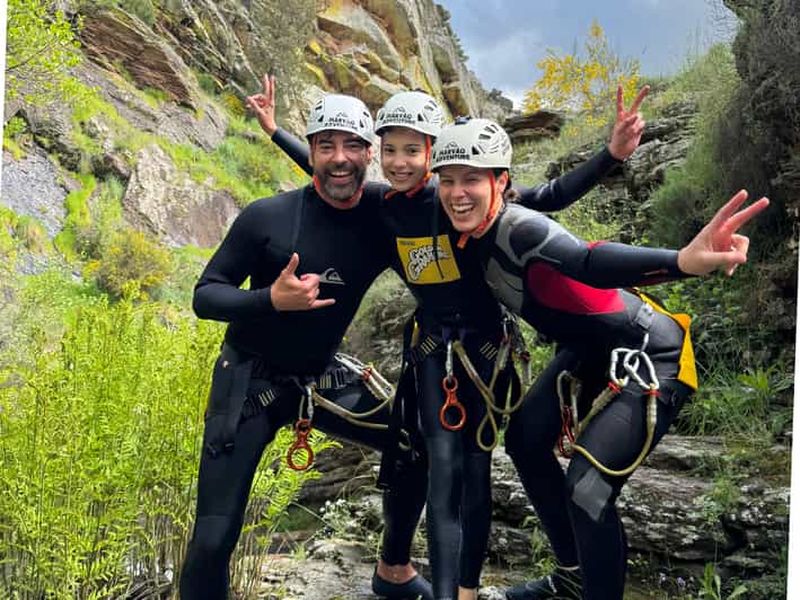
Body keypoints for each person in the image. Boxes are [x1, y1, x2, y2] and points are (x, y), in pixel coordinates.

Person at [247, 77, 651, 600]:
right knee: (444, 473)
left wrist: (610, 156)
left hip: (487, 351)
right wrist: (276, 131)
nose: (398, 162)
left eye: (412, 150)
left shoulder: (461, 194)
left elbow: (549, 197)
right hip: (434, 351)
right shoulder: (380, 205)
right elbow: (330, 174)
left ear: (432, 152)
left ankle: (465, 588)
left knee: (476, 473)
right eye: (388, 151)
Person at [429, 117, 769, 600]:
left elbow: (589, 260)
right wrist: (610, 156)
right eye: (447, 181)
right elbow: (554, 190)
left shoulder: (519, 227)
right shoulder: (472, 217)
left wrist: (680, 262)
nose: (457, 193)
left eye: (470, 180)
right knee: (526, 439)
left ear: (500, 182)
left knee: (587, 490)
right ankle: (572, 577)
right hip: (589, 350)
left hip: (651, 353)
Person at [180, 93, 434, 600]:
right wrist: (270, 300)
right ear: (313, 151)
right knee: (213, 537)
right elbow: (205, 296)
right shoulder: (266, 217)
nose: (339, 157)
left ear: (370, 152)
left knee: (416, 441)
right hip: (248, 381)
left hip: (321, 378)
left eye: (352, 146)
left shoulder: (386, 216)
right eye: (325, 145)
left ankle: (393, 570)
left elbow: (468, 201)